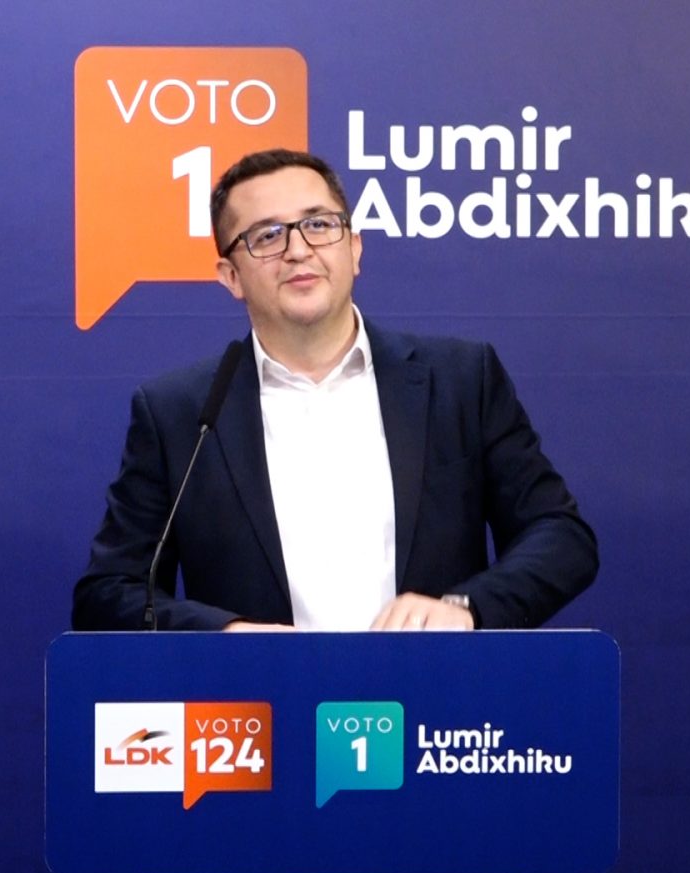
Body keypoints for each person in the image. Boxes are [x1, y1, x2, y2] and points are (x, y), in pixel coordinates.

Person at [72, 149, 597, 631]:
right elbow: (109, 592)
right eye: (267, 236)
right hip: (259, 698)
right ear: (230, 276)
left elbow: (560, 537)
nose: (298, 250)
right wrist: (224, 635)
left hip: (436, 693)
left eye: (319, 225)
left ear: (355, 248)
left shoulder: (460, 379)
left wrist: (465, 608)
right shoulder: (179, 412)